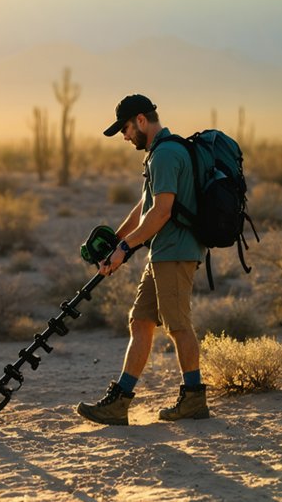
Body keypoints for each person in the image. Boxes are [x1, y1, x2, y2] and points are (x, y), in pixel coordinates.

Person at [76, 93, 208, 426]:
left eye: (125, 128)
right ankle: (119, 402)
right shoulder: (157, 154)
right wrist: (117, 241)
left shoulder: (166, 155)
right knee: (141, 322)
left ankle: (194, 399)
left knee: (177, 325)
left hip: (176, 252)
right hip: (162, 252)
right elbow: (145, 207)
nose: (124, 136)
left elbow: (161, 213)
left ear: (140, 121)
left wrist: (124, 250)